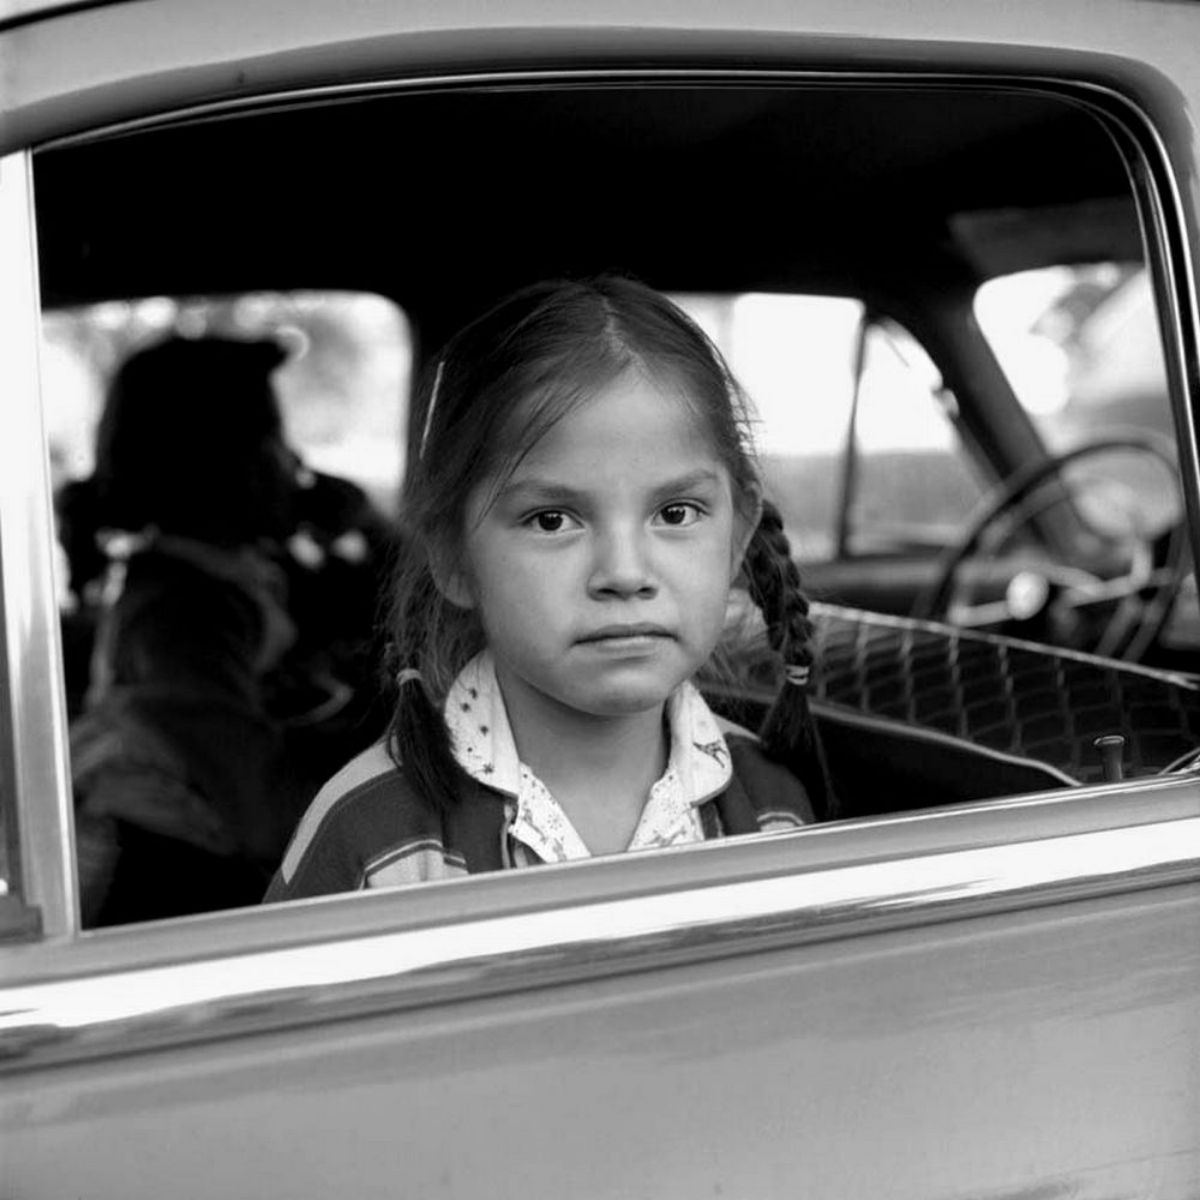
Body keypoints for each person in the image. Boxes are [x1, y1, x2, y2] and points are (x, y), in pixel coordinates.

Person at [265, 276, 834, 902]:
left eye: (675, 513)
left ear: (737, 535)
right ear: (454, 557)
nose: (623, 572)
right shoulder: (375, 837)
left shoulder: (771, 807)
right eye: (552, 520)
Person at [62, 334, 391, 925]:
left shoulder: (242, 577)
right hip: (174, 886)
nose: (296, 464)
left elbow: (400, 606)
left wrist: (359, 524)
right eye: (273, 439)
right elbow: (264, 810)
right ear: (216, 466)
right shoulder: (179, 616)